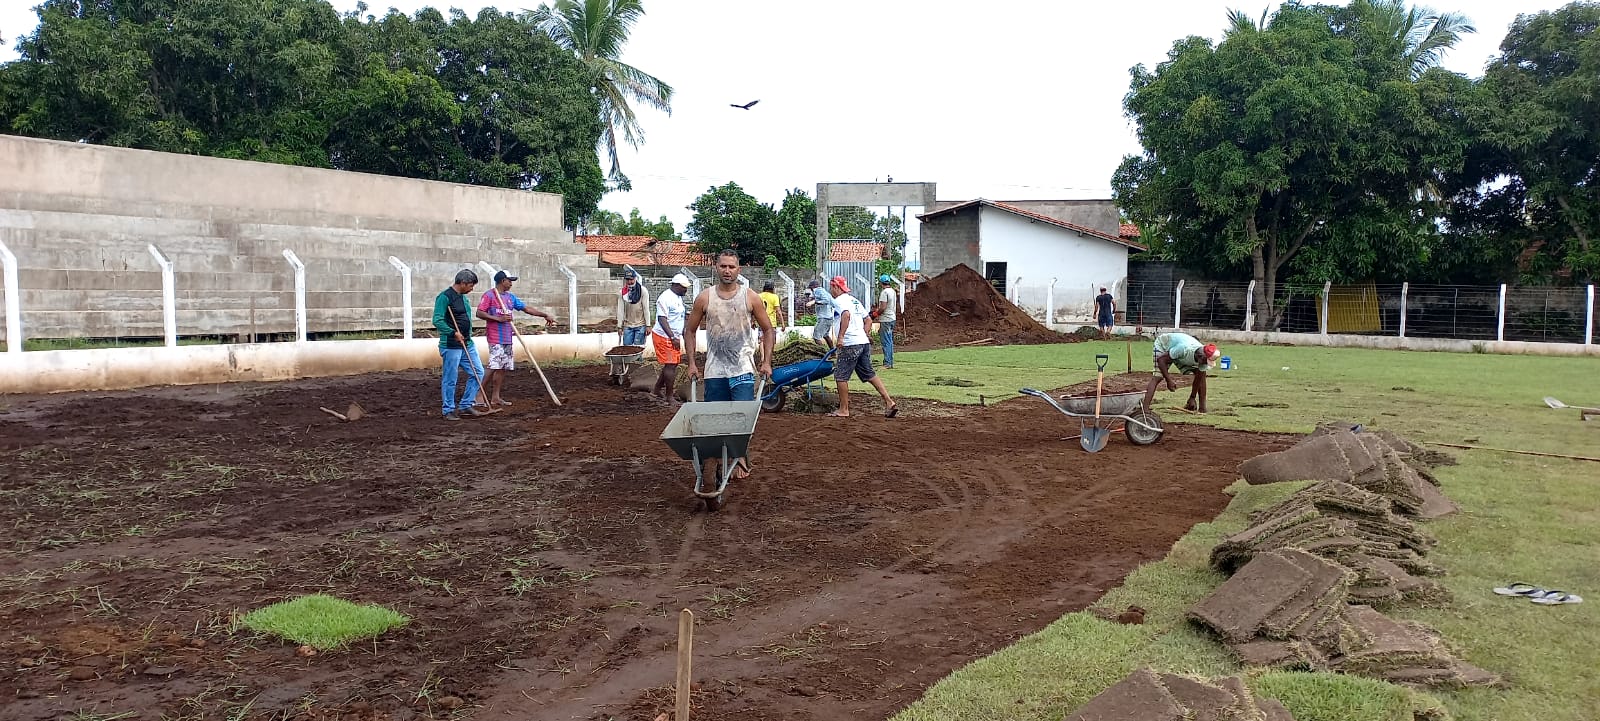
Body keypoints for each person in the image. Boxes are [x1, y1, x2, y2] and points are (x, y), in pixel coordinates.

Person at [686, 251, 776, 477]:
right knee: (715, 422)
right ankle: (718, 460)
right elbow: (690, 330)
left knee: (741, 421)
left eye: (732, 267)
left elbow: (768, 329)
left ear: (739, 270)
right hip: (715, 370)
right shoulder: (705, 298)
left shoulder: (750, 297)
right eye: (723, 266)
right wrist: (691, 364)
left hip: (743, 369)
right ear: (716, 267)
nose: (727, 271)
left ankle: (741, 457)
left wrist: (766, 362)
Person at [477, 270, 556, 407]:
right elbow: (479, 312)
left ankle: (495, 397)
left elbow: (526, 309)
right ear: (503, 281)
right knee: (493, 366)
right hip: (496, 337)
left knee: (503, 367)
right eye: (509, 281)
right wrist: (498, 318)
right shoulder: (489, 295)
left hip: (508, 337)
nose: (511, 284)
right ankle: (478, 395)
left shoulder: (510, 297)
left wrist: (544, 315)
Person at [826, 276, 898, 418]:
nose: (831, 290)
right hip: (862, 343)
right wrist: (863, 334)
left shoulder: (839, 301)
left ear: (836, 287)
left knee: (840, 376)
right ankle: (889, 402)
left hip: (850, 344)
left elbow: (846, 315)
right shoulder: (854, 300)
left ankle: (843, 409)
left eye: (831, 287)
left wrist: (840, 337)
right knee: (869, 374)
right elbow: (868, 320)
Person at [432, 269, 490, 420]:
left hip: (467, 343)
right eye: (471, 285)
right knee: (451, 377)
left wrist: (466, 335)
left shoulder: (464, 298)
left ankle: (465, 404)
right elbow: (437, 320)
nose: (472, 289)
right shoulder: (444, 297)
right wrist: (453, 333)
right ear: (463, 283)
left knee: (478, 372)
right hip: (451, 345)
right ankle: (448, 409)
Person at [1144, 332, 1221, 413]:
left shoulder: (1202, 356)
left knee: (1201, 375)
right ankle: (1145, 410)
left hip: (1179, 353)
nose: (1205, 364)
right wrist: (1168, 380)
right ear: (1200, 357)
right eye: (1206, 361)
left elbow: (1199, 377)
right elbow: (1161, 360)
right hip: (1164, 345)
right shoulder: (1183, 349)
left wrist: (1192, 397)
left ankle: (1202, 409)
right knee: (1158, 376)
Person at [652, 274, 693, 402]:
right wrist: (672, 336)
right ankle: (669, 396)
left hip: (673, 336)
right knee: (671, 365)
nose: (685, 290)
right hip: (664, 336)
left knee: (672, 364)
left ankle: (657, 390)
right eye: (683, 288)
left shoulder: (678, 297)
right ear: (675, 285)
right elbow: (662, 319)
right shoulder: (665, 298)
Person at [872, 274, 898, 368]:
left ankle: (887, 363)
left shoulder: (884, 292)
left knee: (885, 341)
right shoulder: (892, 291)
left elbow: (883, 307)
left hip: (886, 319)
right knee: (890, 341)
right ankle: (890, 362)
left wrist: (875, 314)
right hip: (892, 318)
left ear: (881, 283)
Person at [619, 270, 648, 347]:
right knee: (626, 349)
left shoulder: (642, 291)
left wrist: (648, 325)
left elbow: (646, 308)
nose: (629, 282)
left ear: (635, 278)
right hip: (628, 325)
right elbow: (620, 310)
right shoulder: (623, 292)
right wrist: (619, 326)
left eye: (631, 279)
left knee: (638, 349)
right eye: (627, 279)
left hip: (640, 325)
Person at [807, 279, 836, 346]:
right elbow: (833, 304)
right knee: (825, 335)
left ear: (812, 287)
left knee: (816, 337)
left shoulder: (817, 290)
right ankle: (833, 353)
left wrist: (814, 302)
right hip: (829, 317)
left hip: (824, 318)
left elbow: (826, 301)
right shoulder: (825, 292)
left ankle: (822, 353)